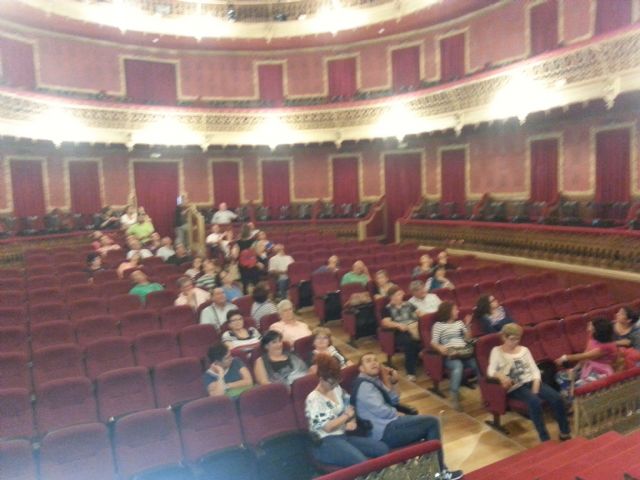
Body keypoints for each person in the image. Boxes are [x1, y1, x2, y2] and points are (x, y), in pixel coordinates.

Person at [352, 353, 463, 480]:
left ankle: (433, 471)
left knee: (430, 424)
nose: (374, 363)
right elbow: (381, 410)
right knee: (432, 422)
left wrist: (393, 382)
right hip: (384, 432)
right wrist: (396, 413)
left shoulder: (374, 381)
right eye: (368, 361)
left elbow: (394, 400)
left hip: (390, 424)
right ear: (361, 368)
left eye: (375, 360)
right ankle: (440, 472)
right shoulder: (364, 386)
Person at [488, 324, 570, 442]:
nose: (515, 342)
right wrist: (500, 376)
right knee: (534, 402)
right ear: (504, 337)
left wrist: (536, 386)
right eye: (512, 339)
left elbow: (535, 370)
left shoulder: (524, 350)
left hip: (531, 381)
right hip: (516, 387)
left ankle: (564, 432)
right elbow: (491, 371)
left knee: (557, 398)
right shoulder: (496, 351)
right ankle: (544, 438)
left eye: (518, 339)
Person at [305, 355, 389, 467]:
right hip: (326, 441)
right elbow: (327, 427)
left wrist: (352, 420)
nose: (335, 385)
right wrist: (346, 417)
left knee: (382, 448)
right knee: (362, 464)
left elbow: (350, 405)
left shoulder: (336, 388)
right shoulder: (314, 399)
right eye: (331, 382)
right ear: (321, 379)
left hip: (342, 436)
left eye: (337, 381)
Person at [430, 302, 479, 410]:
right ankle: (454, 395)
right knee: (458, 366)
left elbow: (468, 339)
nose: (458, 311)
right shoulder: (438, 325)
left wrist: (467, 325)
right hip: (450, 353)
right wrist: (439, 347)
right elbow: (433, 342)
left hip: (463, 351)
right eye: (455, 309)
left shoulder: (459, 323)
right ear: (448, 311)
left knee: (476, 365)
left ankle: (487, 392)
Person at [555, 317, 620, 393]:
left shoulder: (606, 347)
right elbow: (585, 353)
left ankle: (572, 393)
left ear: (596, 330)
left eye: (591, 325)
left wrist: (565, 358)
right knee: (559, 376)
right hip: (588, 366)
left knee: (577, 388)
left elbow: (585, 356)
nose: (589, 323)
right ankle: (571, 389)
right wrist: (576, 369)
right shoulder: (593, 335)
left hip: (600, 371)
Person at [380, 286, 422, 381]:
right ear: (392, 297)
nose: (402, 295)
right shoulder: (387, 309)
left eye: (401, 294)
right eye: (398, 294)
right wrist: (398, 325)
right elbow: (385, 322)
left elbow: (420, 313)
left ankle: (421, 357)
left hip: (414, 326)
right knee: (409, 342)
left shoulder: (408, 304)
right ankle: (410, 372)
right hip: (400, 331)